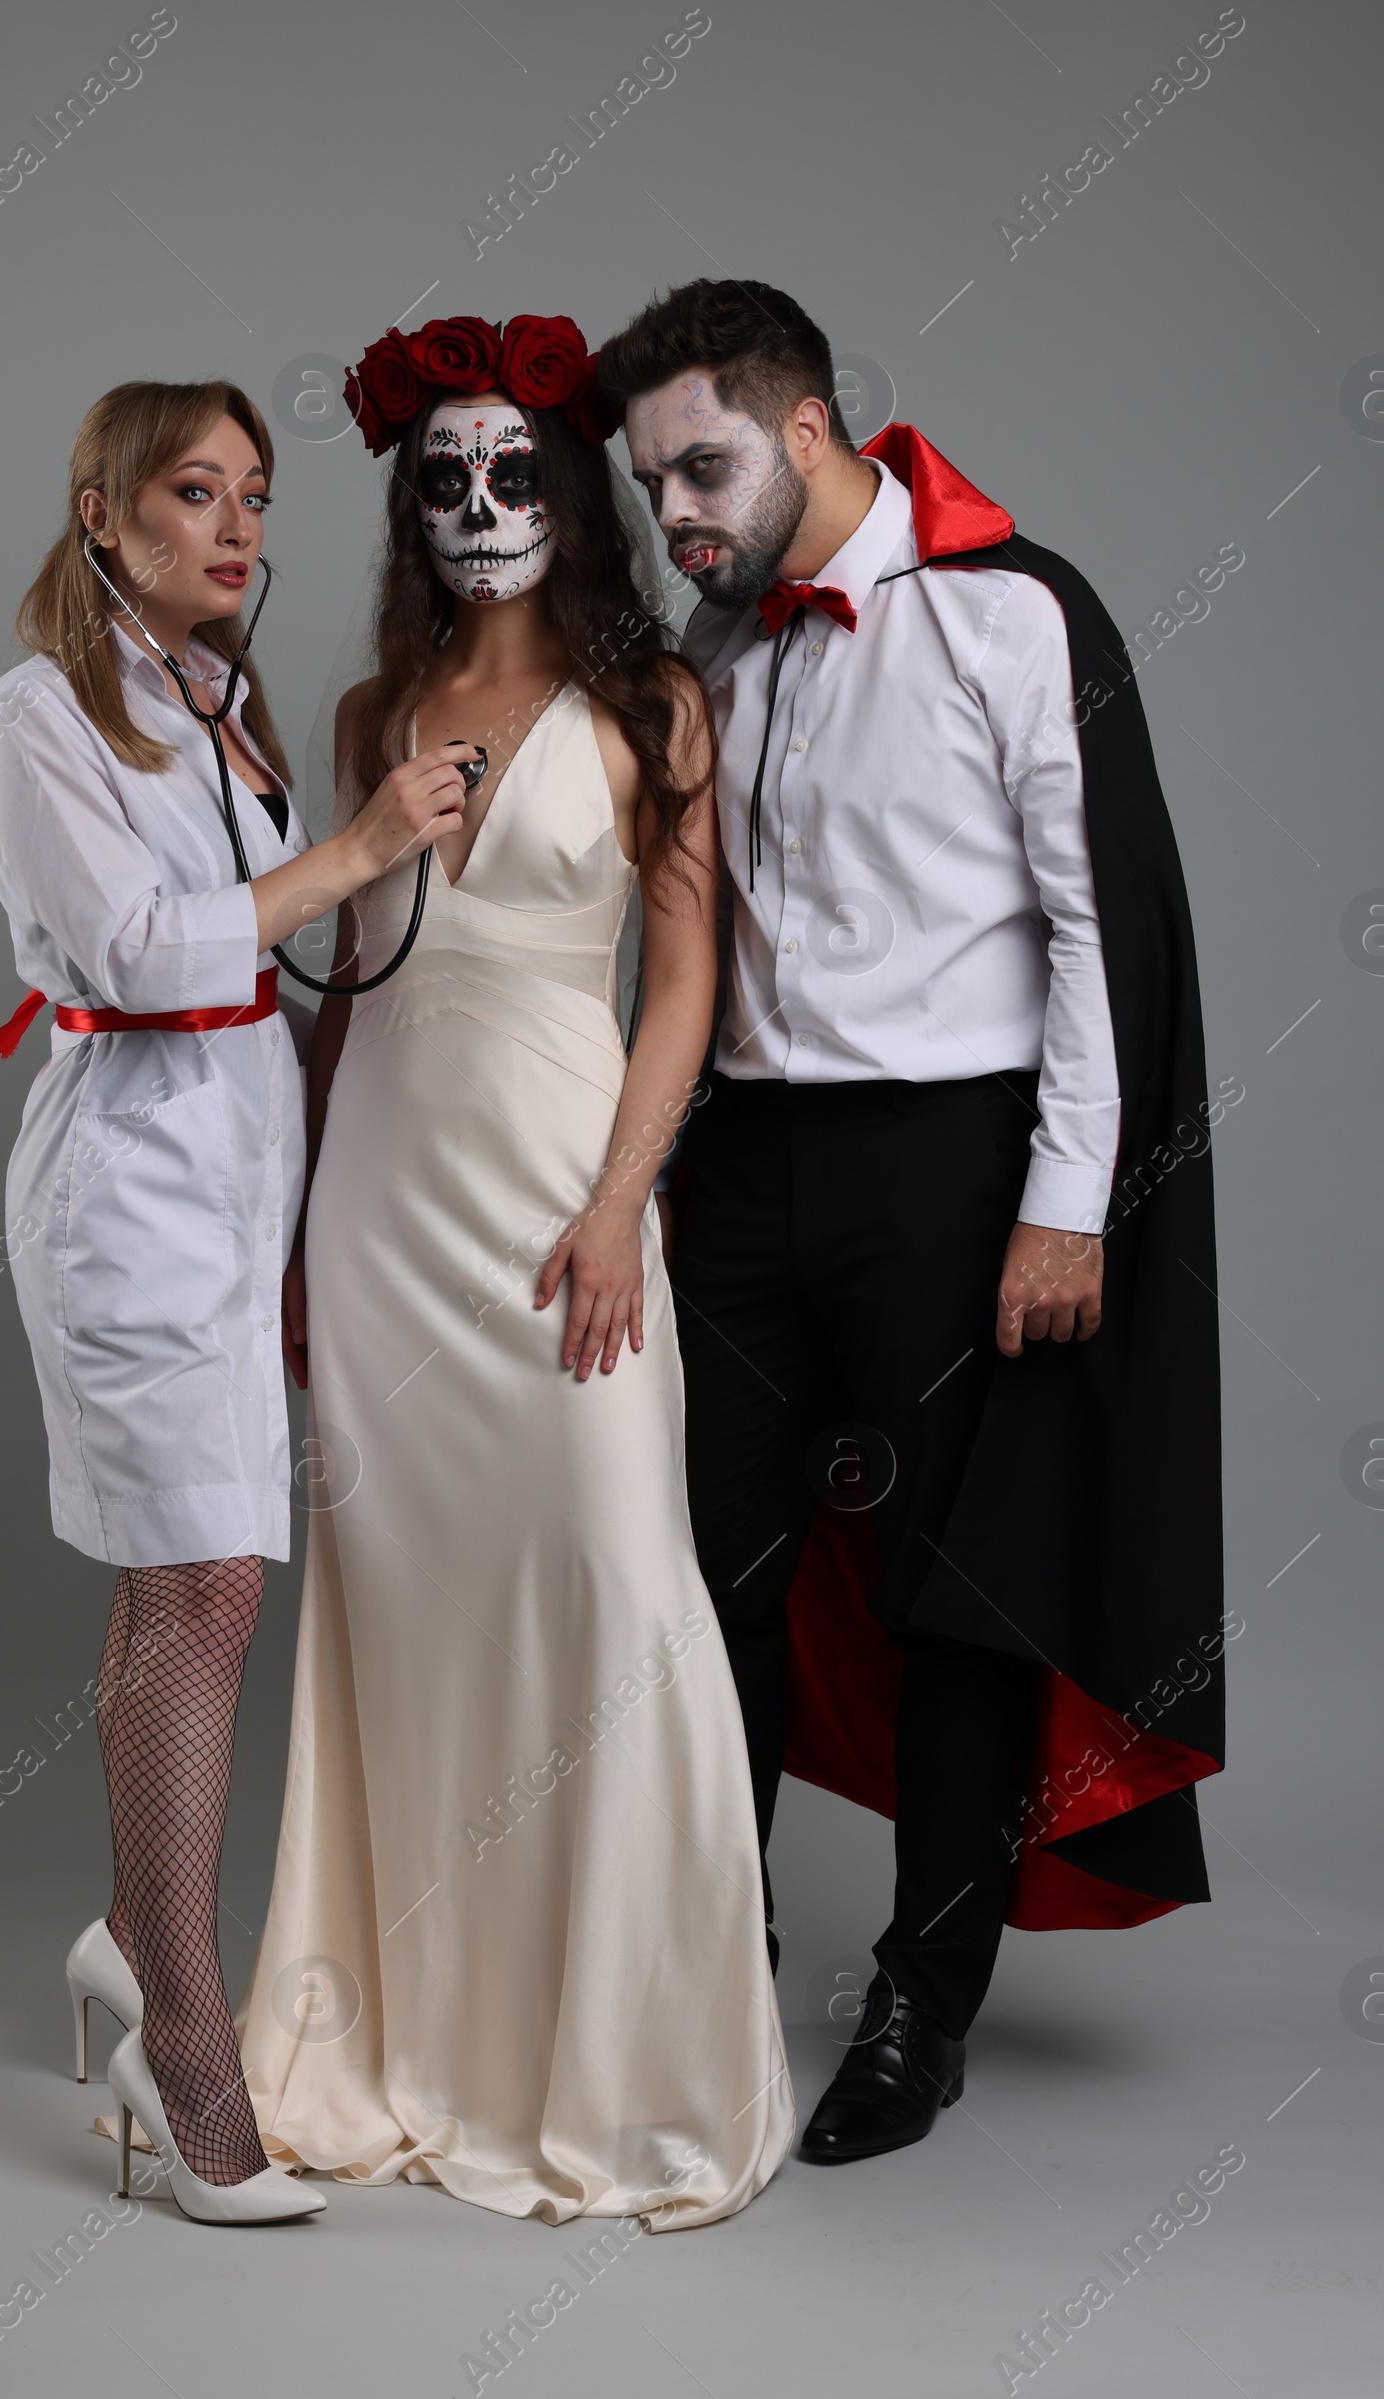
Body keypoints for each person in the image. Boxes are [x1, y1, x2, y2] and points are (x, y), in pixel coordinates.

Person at [598, 282, 1224, 2163]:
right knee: (706, 1577)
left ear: (805, 431)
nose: (675, 514)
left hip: (958, 1172)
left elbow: (1104, 924)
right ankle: (719, 1955)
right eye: (648, 483)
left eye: (700, 466)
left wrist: (1069, 1204)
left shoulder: (1014, 609)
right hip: (750, 1168)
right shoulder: (719, 638)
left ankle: (923, 2006)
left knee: (961, 1599)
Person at [236, 313, 793, 2229]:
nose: (485, 508)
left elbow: (690, 974)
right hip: (382, 1201)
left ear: (571, 492)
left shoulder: (658, 708)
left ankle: (624, 2067)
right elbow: (342, 987)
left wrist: (623, 1200)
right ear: (419, 503)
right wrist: (294, 1235)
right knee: (405, 1614)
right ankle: (419, 2031)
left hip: (565, 1182)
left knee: (613, 1581)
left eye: (520, 473)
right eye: (448, 480)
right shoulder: (374, 710)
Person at [0, 379, 474, 2223]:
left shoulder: (218, 703)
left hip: (236, 1187)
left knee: (175, 1581)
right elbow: (139, 948)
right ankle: (185, 2038)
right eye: (196, 492)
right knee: (206, 1592)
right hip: (129, 1203)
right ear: (104, 514)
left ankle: (127, 1938)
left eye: (256, 495)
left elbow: (263, 961)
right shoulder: (37, 718)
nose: (239, 527)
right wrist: (359, 850)